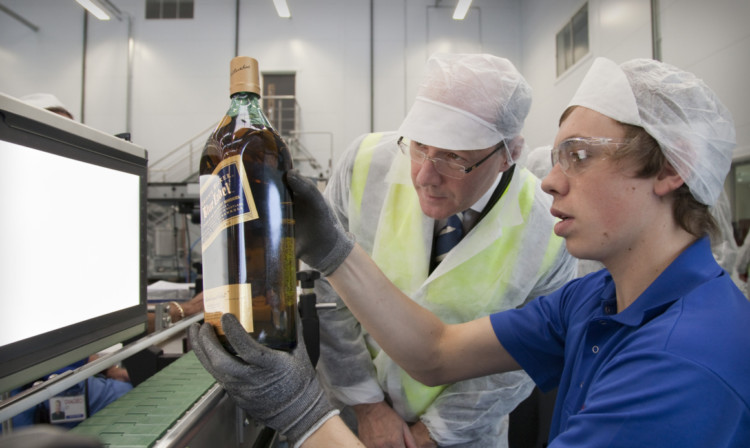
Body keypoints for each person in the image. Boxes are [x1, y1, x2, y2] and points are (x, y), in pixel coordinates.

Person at [190, 57, 750, 447]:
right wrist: (335, 251)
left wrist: (303, 415)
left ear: (672, 170)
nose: (550, 182)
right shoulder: (599, 299)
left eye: (578, 156)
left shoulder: (683, 361)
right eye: (557, 156)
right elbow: (436, 352)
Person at [312, 53, 576, 447]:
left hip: (463, 436)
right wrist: (367, 408)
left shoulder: (550, 230)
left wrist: (431, 434)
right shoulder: (366, 164)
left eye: (454, 157)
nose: (424, 176)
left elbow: (519, 360)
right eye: (419, 146)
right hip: (352, 420)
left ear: (508, 154)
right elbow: (331, 298)